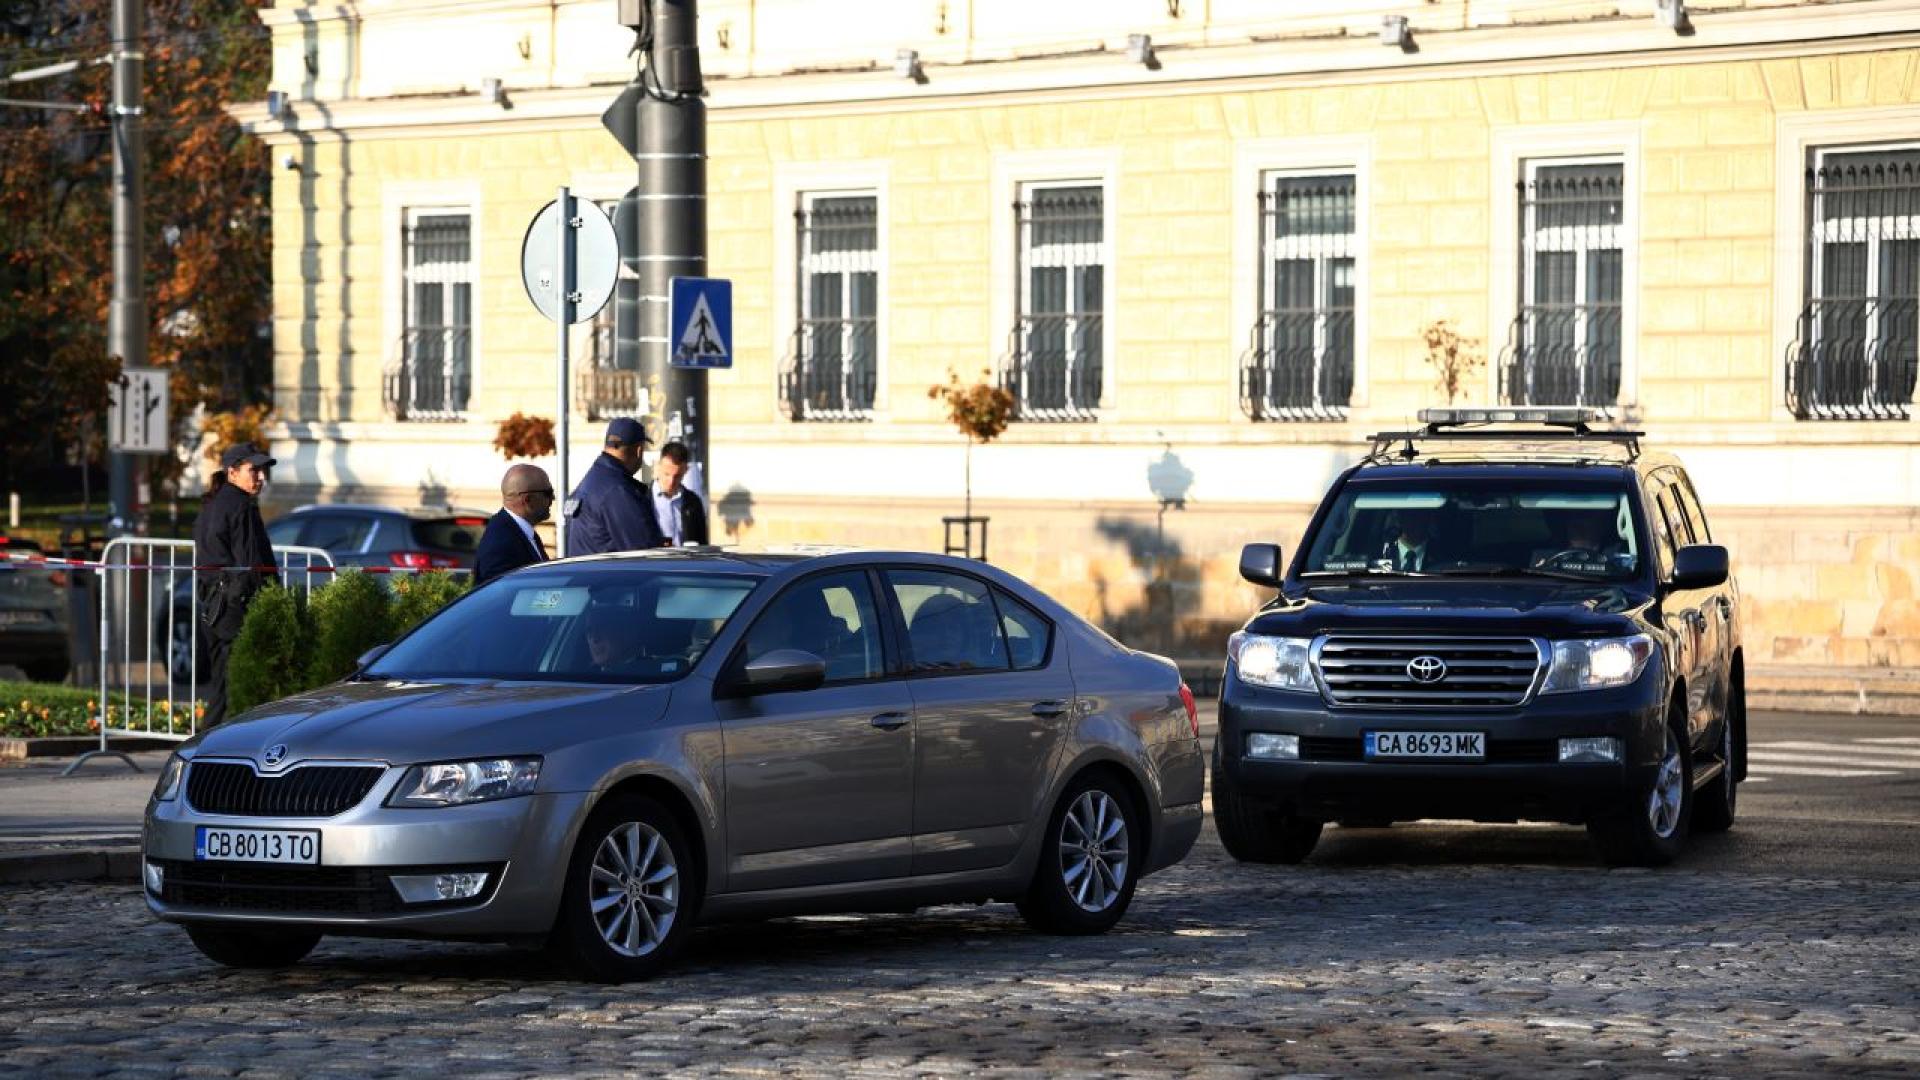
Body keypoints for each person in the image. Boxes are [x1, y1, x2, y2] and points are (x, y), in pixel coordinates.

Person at [193, 444, 278, 727]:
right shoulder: (241, 506)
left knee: (221, 688)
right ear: (232, 472)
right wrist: (267, 600)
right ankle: (213, 752)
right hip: (236, 607)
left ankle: (204, 748)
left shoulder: (212, 504)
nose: (260, 477)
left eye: (262, 470)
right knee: (243, 689)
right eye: (253, 470)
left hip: (214, 606)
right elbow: (251, 563)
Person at [563, 417, 664, 557]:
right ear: (639, 450)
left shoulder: (591, 482)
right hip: (610, 577)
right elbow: (645, 554)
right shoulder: (618, 491)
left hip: (586, 575)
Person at [473, 463, 553, 587]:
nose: (553, 498)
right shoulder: (501, 541)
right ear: (528, 500)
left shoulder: (521, 531)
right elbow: (499, 597)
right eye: (548, 493)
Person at [650, 440, 708, 547]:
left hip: (685, 562)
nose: (671, 481)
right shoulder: (641, 498)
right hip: (654, 561)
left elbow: (702, 543)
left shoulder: (693, 502)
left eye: (677, 476)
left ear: (685, 470)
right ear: (658, 466)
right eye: (666, 474)